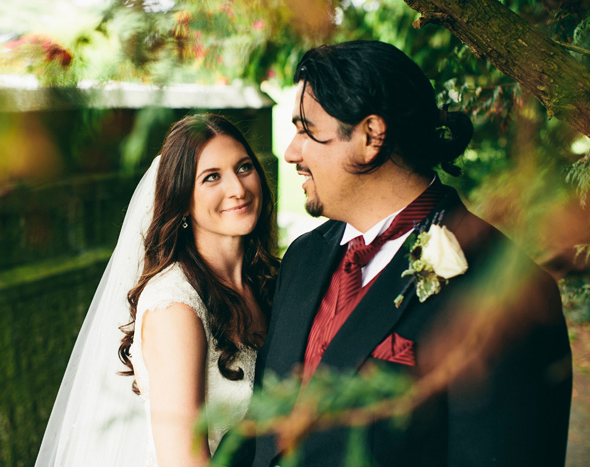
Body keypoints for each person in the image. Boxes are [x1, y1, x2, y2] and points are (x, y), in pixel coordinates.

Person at [216, 40, 572, 466]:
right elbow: (261, 432)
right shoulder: (302, 257)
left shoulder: (508, 292)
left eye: (306, 130)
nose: (291, 152)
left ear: (370, 137)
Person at [36, 113, 279, 467]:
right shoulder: (175, 307)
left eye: (243, 168)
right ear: (182, 201)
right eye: (211, 177)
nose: (238, 189)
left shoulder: (270, 281)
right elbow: (183, 459)